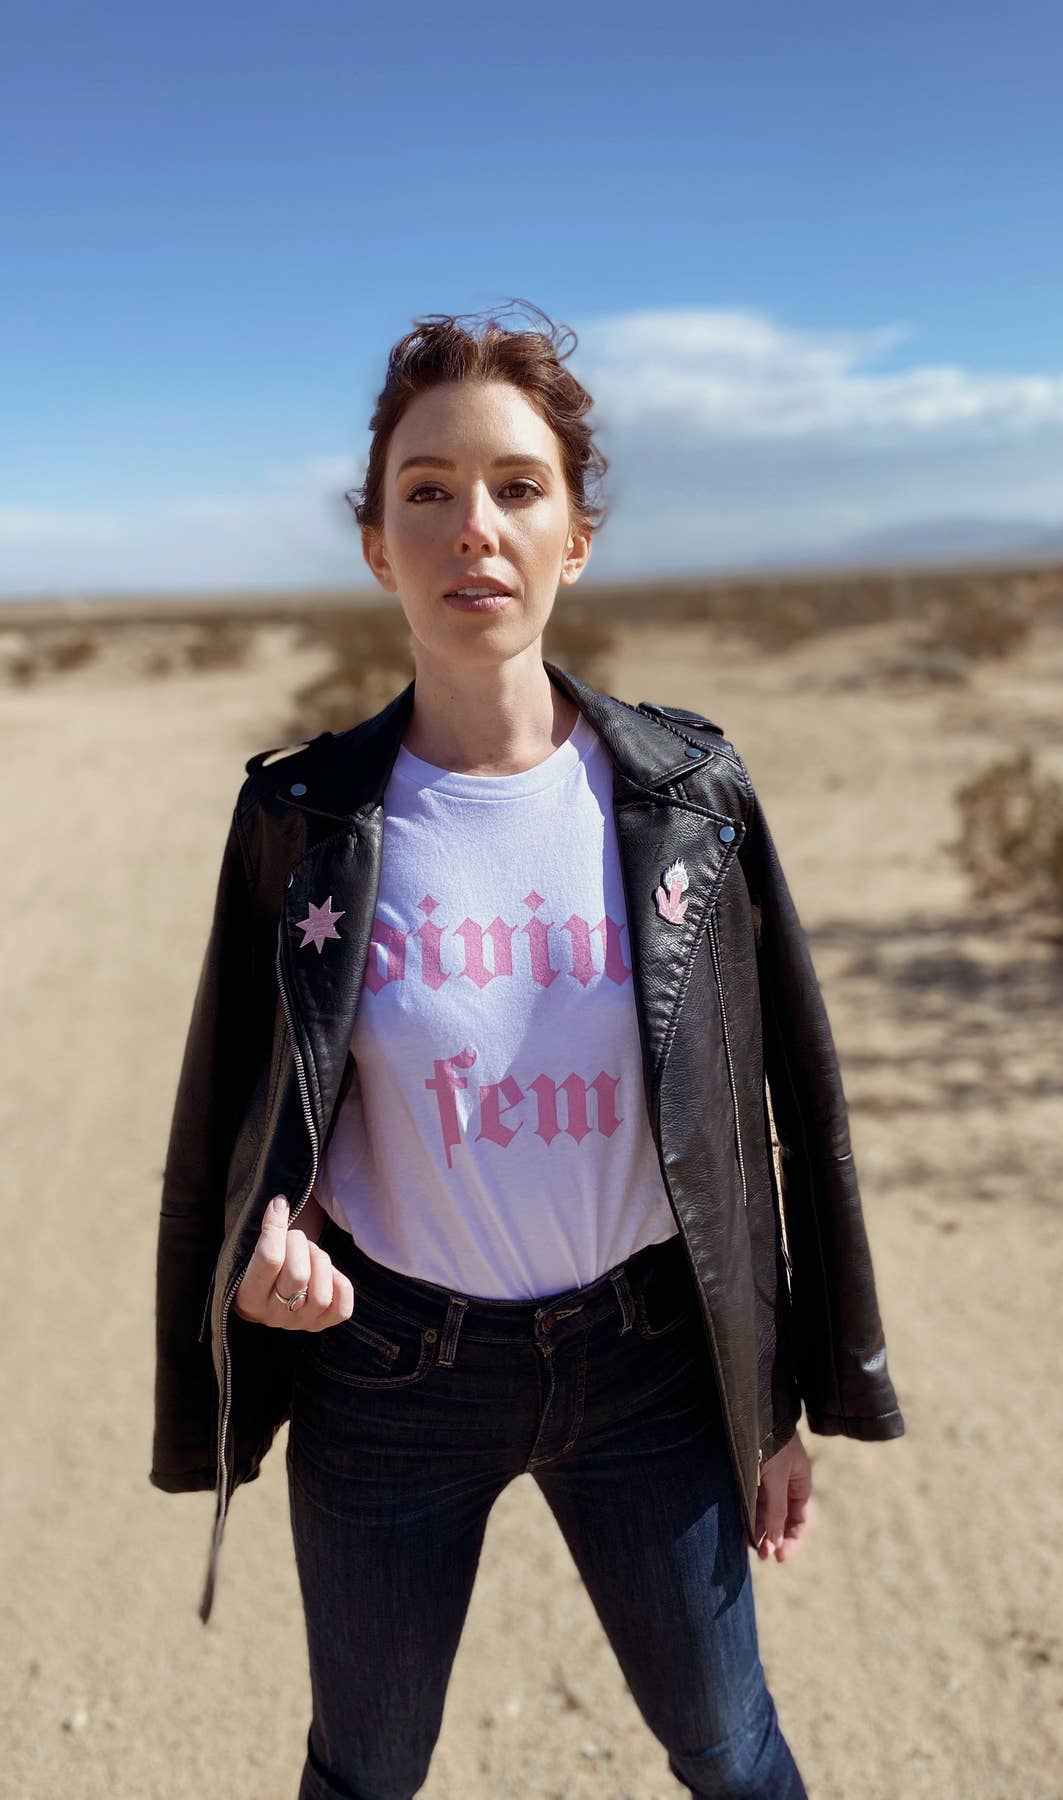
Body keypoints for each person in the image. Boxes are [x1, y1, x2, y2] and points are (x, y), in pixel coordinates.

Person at [151, 300, 905, 1799]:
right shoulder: (303, 820)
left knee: (729, 1748)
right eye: (425, 490)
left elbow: (788, 1108)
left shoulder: (689, 796)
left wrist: (777, 1401)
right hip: (387, 1377)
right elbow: (237, 1120)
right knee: (363, 1768)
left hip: (648, 1371)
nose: (470, 527)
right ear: (377, 541)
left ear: (576, 536)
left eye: (515, 487)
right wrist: (265, 1260)